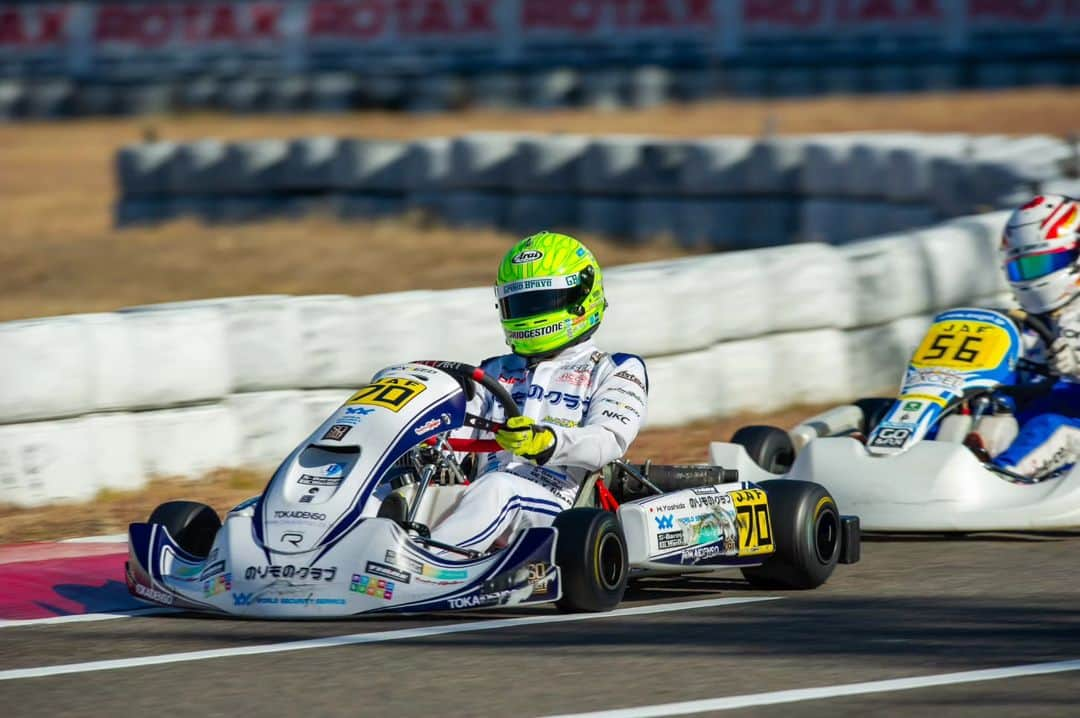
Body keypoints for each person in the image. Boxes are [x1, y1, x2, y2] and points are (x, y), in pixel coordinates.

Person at [429, 231, 648, 552]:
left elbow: (608, 441)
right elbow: (457, 439)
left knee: (498, 489)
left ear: (579, 299)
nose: (528, 314)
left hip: (562, 507)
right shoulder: (492, 371)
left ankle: (425, 564)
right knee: (405, 488)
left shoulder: (615, 369)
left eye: (540, 302)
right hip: (479, 495)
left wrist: (547, 441)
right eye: (518, 304)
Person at [991, 194, 1080, 479]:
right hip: (1025, 417)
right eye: (1022, 268)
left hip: (1068, 426)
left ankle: (1001, 480)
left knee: (1048, 426)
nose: (1030, 278)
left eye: (1041, 265)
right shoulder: (1018, 323)